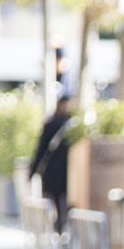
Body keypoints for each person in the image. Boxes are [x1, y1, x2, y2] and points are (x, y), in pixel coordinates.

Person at [28, 94, 75, 232]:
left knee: (54, 203)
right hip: (66, 173)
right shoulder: (70, 124)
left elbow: (40, 150)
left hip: (54, 173)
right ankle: (62, 228)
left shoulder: (56, 124)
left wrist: (32, 173)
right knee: (63, 204)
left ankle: (58, 228)